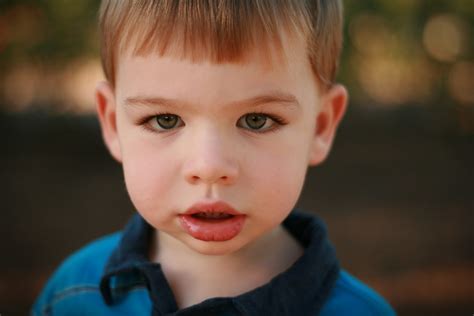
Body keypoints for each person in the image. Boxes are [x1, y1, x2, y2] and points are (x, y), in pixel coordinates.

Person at [32, 1, 396, 315]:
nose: (209, 167)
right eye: (165, 120)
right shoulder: (72, 297)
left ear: (320, 125)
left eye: (257, 120)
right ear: (113, 123)